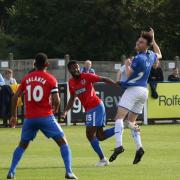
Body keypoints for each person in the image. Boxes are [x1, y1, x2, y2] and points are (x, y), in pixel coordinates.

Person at [7, 53, 77, 179]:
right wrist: (55, 109)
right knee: (63, 142)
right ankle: (69, 171)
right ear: (47, 64)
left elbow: (15, 97)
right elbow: (56, 100)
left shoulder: (26, 79)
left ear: (34, 64)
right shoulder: (50, 79)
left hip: (30, 119)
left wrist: (13, 116)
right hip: (45, 117)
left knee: (22, 145)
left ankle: (11, 171)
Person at [109, 28, 162, 164]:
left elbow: (129, 73)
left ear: (145, 45)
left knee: (119, 118)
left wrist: (127, 64)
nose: (138, 43)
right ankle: (139, 148)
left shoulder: (138, 58)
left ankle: (118, 146)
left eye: (141, 42)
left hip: (133, 89)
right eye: (138, 41)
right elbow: (159, 54)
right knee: (131, 122)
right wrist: (153, 38)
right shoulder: (151, 55)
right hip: (144, 91)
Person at [61, 60, 116, 167]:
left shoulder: (87, 76)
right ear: (69, 70)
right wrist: (66, 111)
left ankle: (103, 159)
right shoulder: (71, 82)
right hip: (92, 108)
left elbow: (103, 79)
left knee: (89, 134)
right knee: (100, 136)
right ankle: (120, 127)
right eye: (73, 68)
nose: (76, 69)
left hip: (95, 106)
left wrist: (116, 85)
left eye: (77, 67)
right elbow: (72, 98)